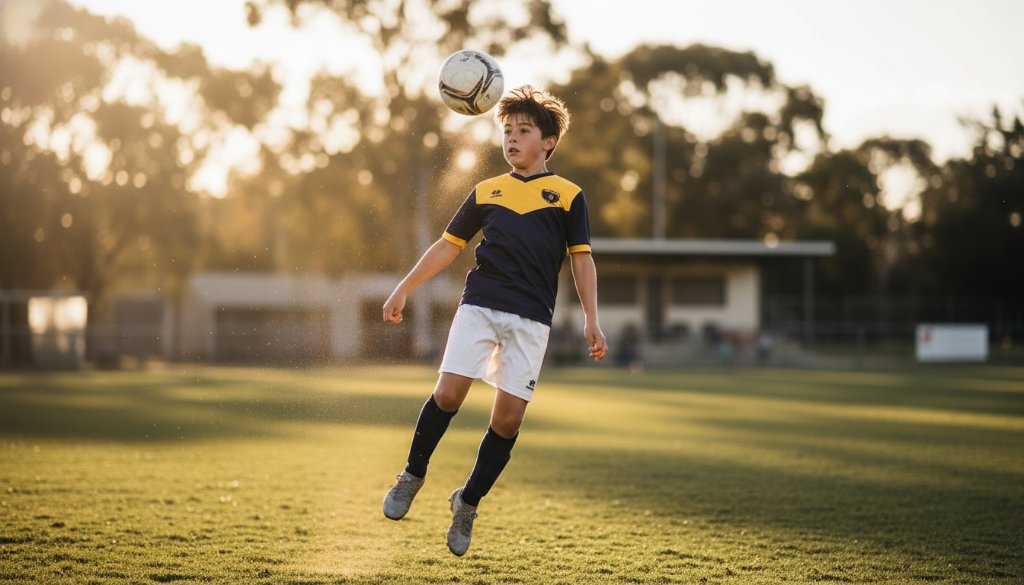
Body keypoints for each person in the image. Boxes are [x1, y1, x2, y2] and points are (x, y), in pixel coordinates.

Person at [380, 85, 608, 556]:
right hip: (480, 305)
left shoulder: (568, 196)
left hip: (532, 321)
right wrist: (404, 287)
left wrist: (592, 319)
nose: (512, 138)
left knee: (506, 422)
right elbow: (447, 246)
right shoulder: (487, 190)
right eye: (506, 131)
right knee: (448, 393)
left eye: (523, 131)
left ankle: (467, 502)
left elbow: (581, 260)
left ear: (548, 142)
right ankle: (412, 475)